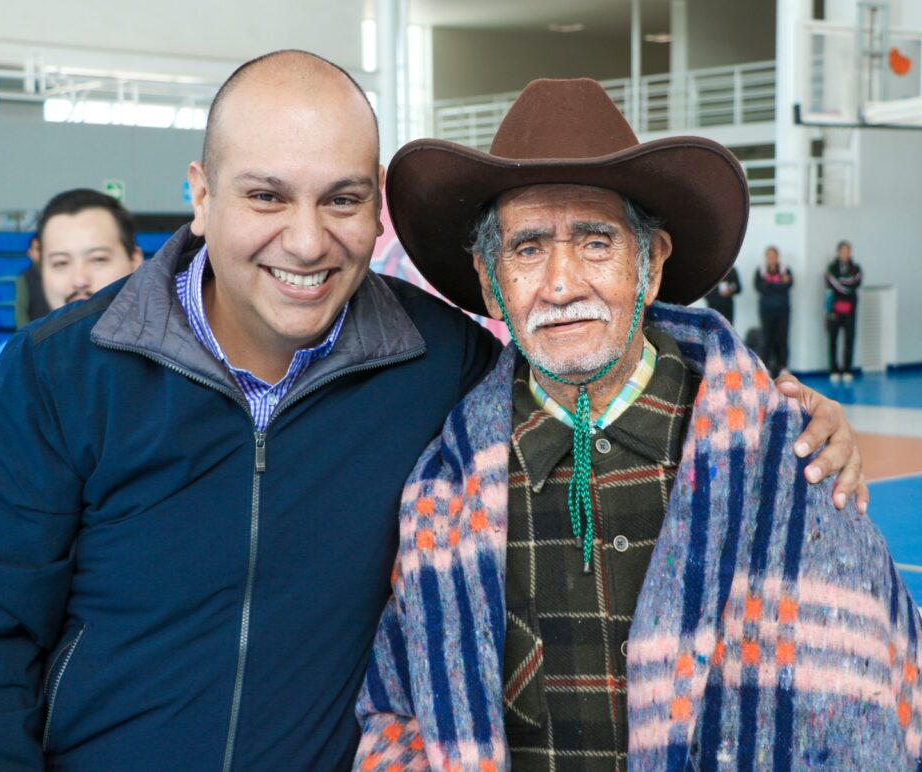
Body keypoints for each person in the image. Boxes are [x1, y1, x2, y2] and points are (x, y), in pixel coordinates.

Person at [0, 53, 863, 771]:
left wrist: (775, 404)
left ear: (376, 212)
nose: (305, 240)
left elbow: (581, 346)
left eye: (341, 199)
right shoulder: (57, 376)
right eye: (265, 195)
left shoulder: (437, 361)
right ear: (199, 197)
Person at [355, 78, 917, 770]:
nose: (562, 284)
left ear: (650, 266)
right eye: (527, 249)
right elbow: (398, 713)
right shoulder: (443, 496)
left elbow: (871, 701)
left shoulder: (789, 462)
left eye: (596, 242)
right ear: (489, 281)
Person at [0, 189, 143, 510]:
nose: (79, 280)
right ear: (42, 271)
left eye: (98, 259)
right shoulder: (6, 367)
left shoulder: (182, 358)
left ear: (135, 261)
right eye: (60, 263)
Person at [826, 240, 863, 384]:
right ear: (838, 252)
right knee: (833, 340)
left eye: (848, 251)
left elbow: (854, 284)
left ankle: (847, 369)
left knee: (849, 339)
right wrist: (846, 283)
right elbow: (832, 285)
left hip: (850, 311)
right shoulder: (831, 268)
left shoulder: (856, 268)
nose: (845, 254)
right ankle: (834, 370)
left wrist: (841, 283)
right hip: (835, 311)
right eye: (843, 251)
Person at [754, 245, 793, 377]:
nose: (771, 258)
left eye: (773, 256)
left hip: (782, 311)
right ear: (766, 257)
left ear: (777, 257)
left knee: (782, 338)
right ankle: (765, 367)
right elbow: (760, 288)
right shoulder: (760, 271)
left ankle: (783, 367)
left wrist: (770, 284)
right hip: (766, 311)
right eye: (769, 256)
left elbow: (787, 286)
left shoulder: (785, 270)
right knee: (766, 339)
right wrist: (778, 283)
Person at [13, 237, 50, 329]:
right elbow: (21, 312)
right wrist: (27, 335)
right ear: (30, 253)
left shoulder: (60, 277)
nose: (42, 253)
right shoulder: (24, 279)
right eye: (38, 249)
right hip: (37, 333)